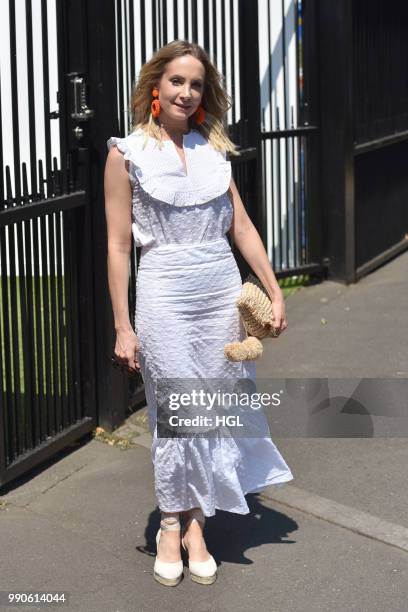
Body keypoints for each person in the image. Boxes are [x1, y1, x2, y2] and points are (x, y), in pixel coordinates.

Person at [104, 40, 294, 587]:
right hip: (164, 291)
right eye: (177, 82)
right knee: (177, 413)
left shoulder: (214, 152)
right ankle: (169, 521)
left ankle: (196, 524)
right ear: (155, 89)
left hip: (218, 290)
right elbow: (118, 245)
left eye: (196, 84)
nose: (187, 92)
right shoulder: (127, 153)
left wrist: (274, 291)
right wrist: (123, 323)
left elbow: (242, 228)